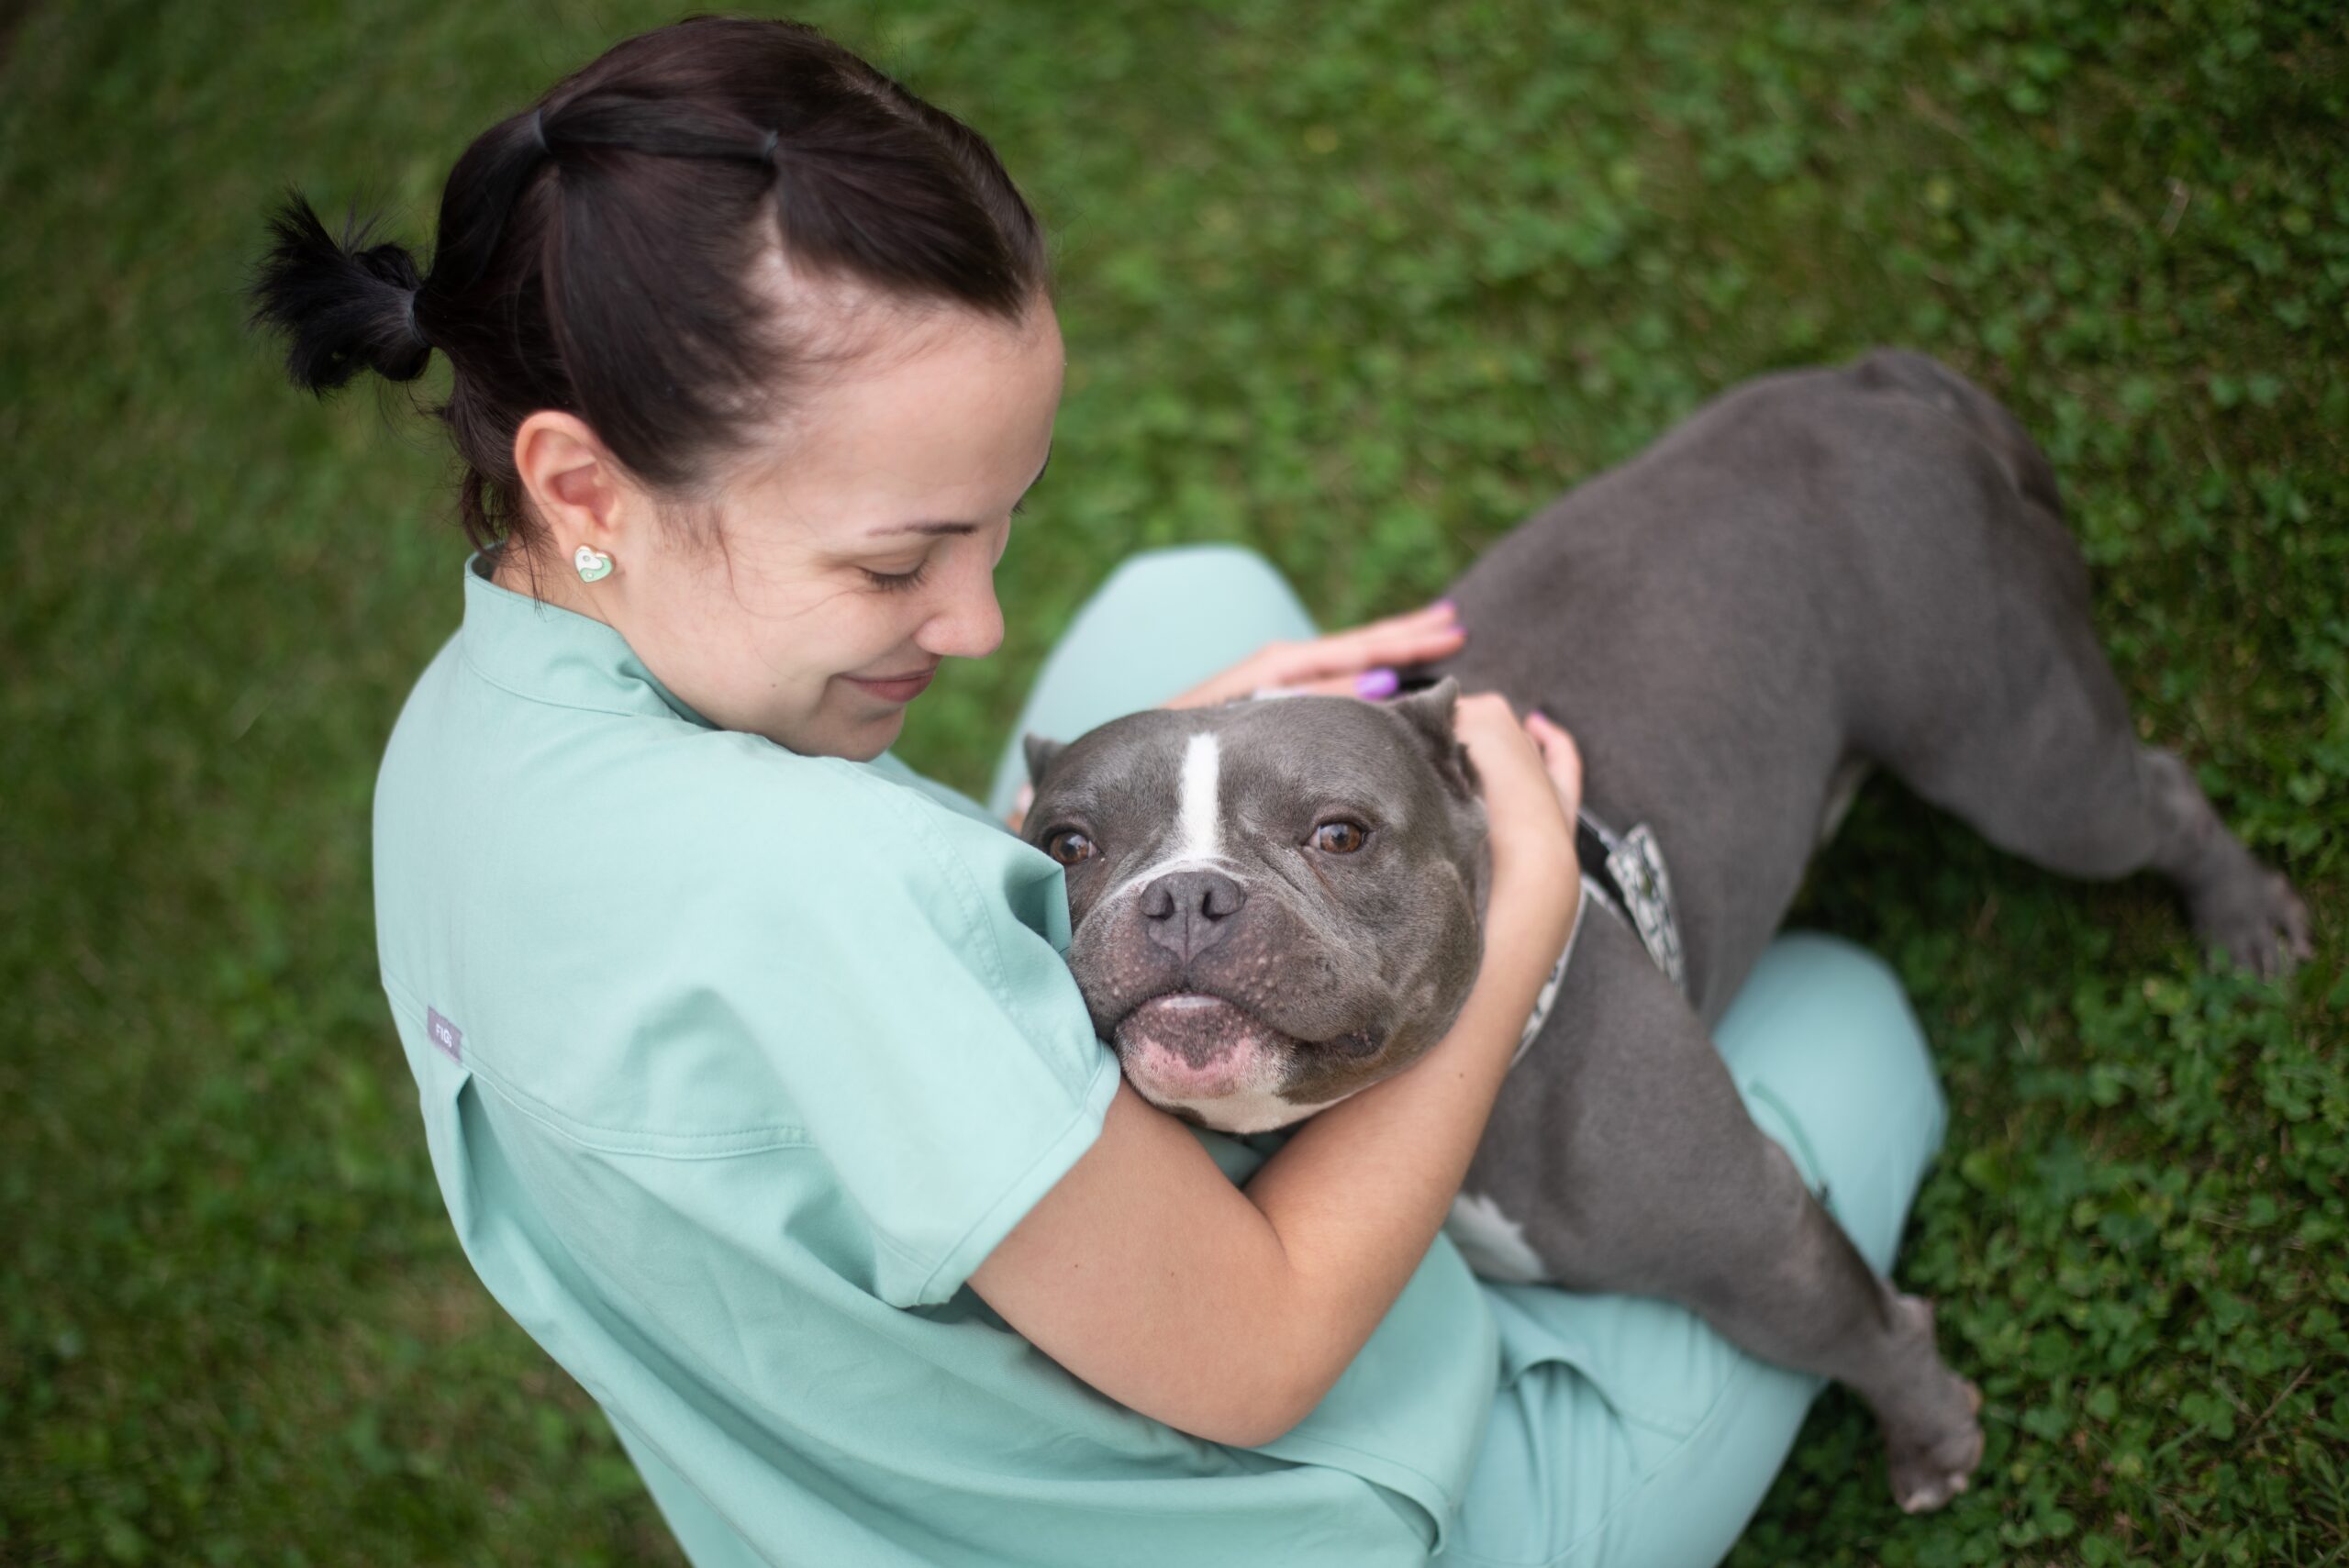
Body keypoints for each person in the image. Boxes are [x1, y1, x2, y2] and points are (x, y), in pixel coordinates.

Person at [245, 17, 1950, 1566]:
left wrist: (1161, 770)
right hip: (1286, 1487)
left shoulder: (458, 741)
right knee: (1848, 1030)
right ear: (581, 478)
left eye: (999, 527)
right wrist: (1513, 931)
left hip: (883, 1453)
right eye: (899, 559)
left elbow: (811, 1016)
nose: (980, 626)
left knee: (1181, 602)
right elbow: (1262, 1356)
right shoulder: (831, 907)